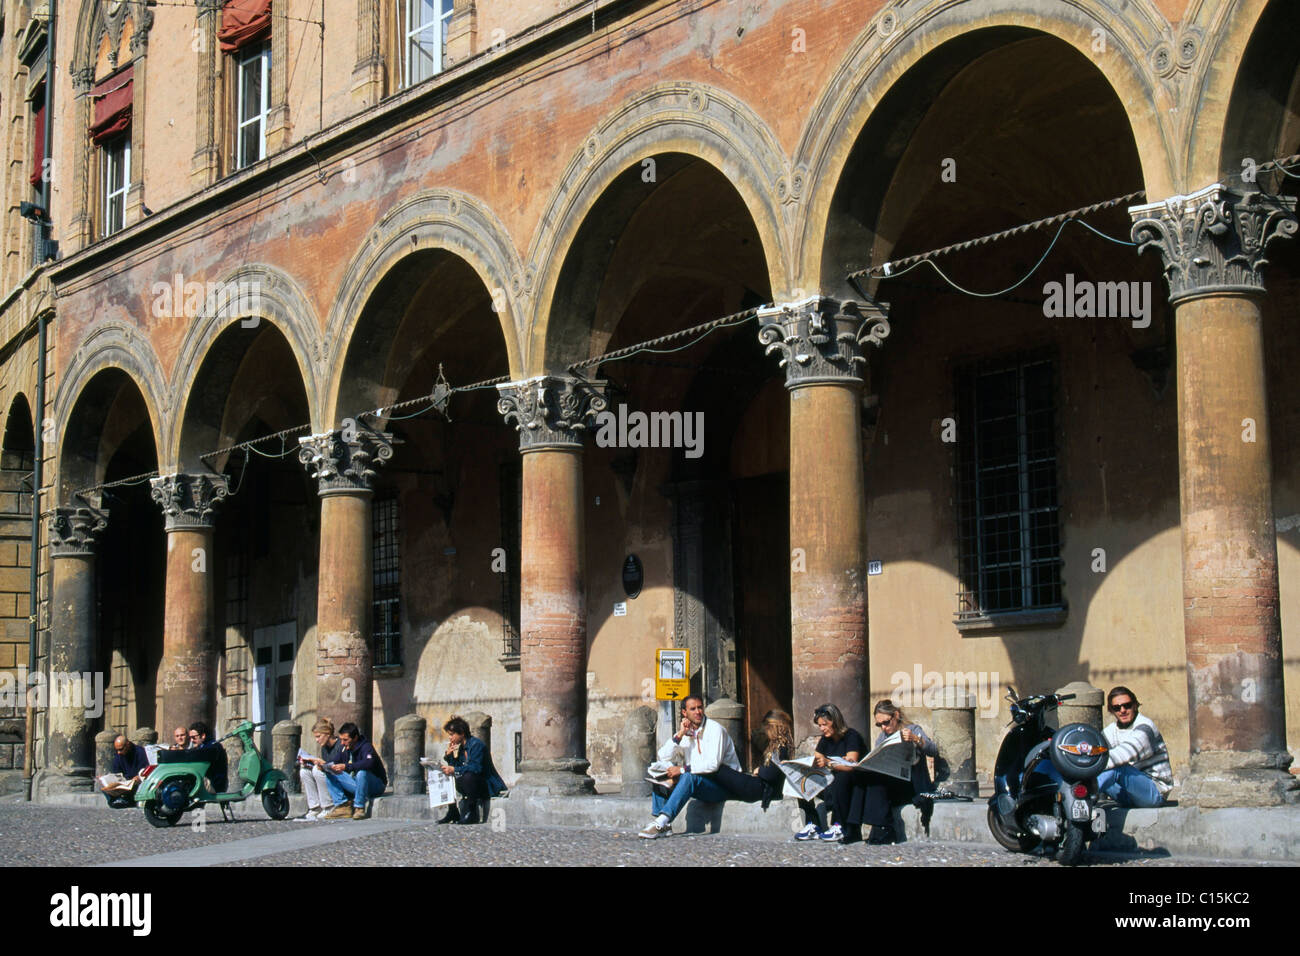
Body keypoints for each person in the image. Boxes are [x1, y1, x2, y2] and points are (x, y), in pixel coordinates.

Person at [637, 695, 741, 839]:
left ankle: (661, 822)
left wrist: (681, 770)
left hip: (724, 786)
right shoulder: (686, 733)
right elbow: (663, 755)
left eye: (700, 707)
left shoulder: (715, 730)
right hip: (701, 783)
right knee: (661, 776)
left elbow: (713, 765)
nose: (698, 712)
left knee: (688, 776)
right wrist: (679, 735)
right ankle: (665, 826)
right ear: (685, 713)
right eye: (693, 709)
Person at [789, 703, 870, 844]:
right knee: (801, 780)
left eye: (824, 724)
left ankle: (839, 825)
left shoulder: (851, 736)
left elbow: (852, 765)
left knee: (841, 776)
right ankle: (813, 824)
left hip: (851, 782)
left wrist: (829, 763)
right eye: (820, 725)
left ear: (835, 721)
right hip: (829, 781)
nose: (822, 729)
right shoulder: (825, 740)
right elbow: (817, 758)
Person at [858, 700, 937, 845]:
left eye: (886, 722)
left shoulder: (913, 729)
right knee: (871, 780)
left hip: (912, 784)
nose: (883, 727)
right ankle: (881, 828)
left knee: (879, 783)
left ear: (896, 715)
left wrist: (916, 740)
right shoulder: (882, 738)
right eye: (879, 724)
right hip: (893, 783)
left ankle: (883, 830)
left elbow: (933, 750)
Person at [1099, 686, 1171, 808]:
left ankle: (1083, 798)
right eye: (1117, 708)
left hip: (1154, 792)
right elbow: (1096, 753)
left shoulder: (1145, 727)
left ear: (1135, 705)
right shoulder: (1109, 731)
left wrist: (1091, 766)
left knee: (1117, 768)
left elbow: (1125, 754)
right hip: (1127, 793)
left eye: (1127, 705)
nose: (1122, 710)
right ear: (1112, 711)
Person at [710, 709, 794, 811]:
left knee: (719, 770)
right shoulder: (777, 746)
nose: (764, 732)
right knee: (723, 777)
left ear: (773, 728)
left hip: (760, 789)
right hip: (758, 786)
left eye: (766, 728)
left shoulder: (782, 748)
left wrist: (759, 770)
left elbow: (773, 773)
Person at [436, 716, 507, 825]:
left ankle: (472, 812)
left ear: (462, 733)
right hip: (470, 785)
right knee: (447, 776)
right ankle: (452, 811)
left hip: (486, 785)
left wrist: (454, 769)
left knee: (468, 775)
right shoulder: (461, 748)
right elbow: (458, 769)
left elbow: (475, 768)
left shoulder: (476, 745)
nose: (450, 738)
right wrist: (449, 757)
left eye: (452, 734)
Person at [323, 721, 387, 820]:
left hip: (375, 785)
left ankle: (359, 807)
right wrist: (323, 765)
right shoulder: (345, 748)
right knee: (330, 773)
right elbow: (335, 761)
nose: (342, 743)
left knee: (362, 772)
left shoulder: (366, 747)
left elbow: (368, 763)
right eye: (341, 740)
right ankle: (342, 806)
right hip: (357, 784)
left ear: (355, 738)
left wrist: (347, 766)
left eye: (345, 740)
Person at [297, 718, 345, 820]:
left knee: (317, 770)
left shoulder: (340, 745)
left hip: (340, 778)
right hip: (330, 775)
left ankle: (329, 806)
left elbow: (337, 767)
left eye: (319, 736)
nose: (317, 740)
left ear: (327, 734)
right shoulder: (324, 748)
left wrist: (320, 764)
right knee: (304, 771)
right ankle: (315, 807)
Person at [101, 734, 149, 808]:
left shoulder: (140, 752)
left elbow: (145, 769)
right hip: (125, 782)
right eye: (117, 750)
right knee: (106, 788)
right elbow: (116, 772)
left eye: (121, 749)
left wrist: (138, 777)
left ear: (128, 745)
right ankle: (119, 801)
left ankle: (126, 801)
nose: (119, 752)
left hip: (136, 782)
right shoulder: (119, 755)